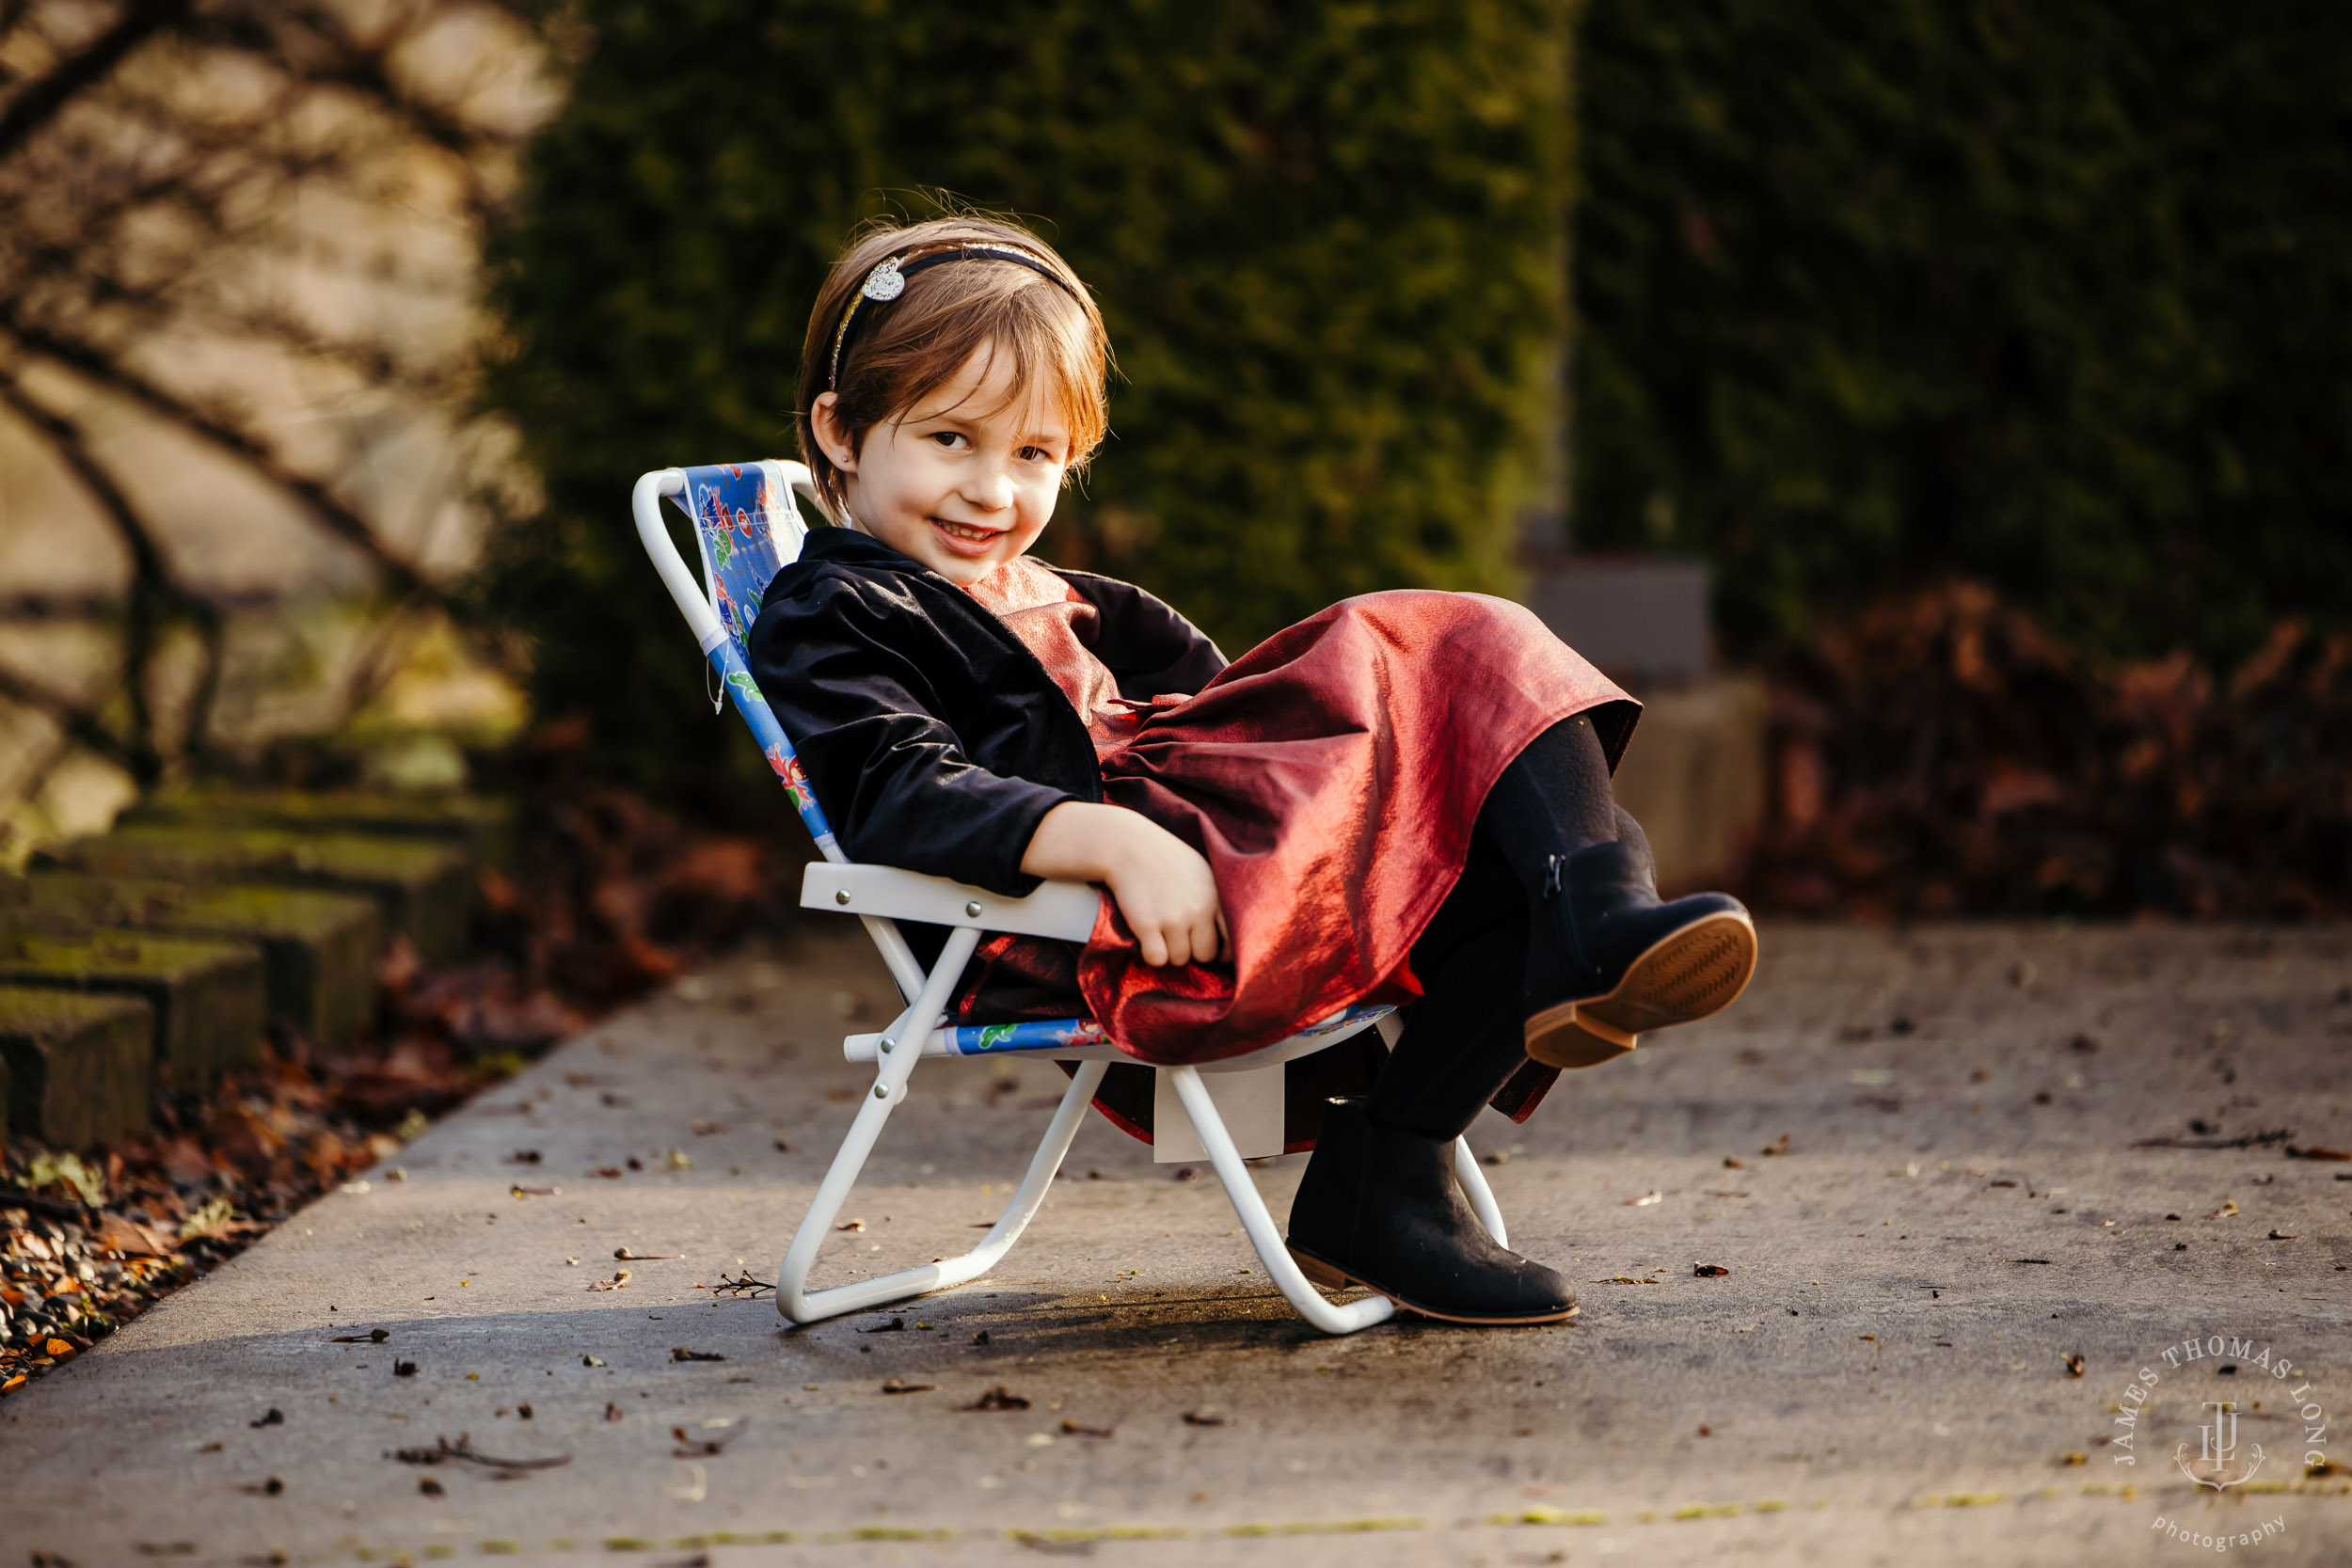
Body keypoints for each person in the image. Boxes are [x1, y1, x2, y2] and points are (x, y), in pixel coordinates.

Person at [748, 216, 1758, 1326]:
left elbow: (1226, 689)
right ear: (839, 432)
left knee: (1548, 818)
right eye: (950, 439)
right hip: (1105, 918)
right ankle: (1590, 928)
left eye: (1033, 455)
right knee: (1458, 641)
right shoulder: (833, 610)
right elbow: (898, 789)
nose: (993, 491)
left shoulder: (1043, 588)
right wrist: (1121, 844)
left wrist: (1331, 770)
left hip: (1212, 855)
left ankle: (1394, 1170)